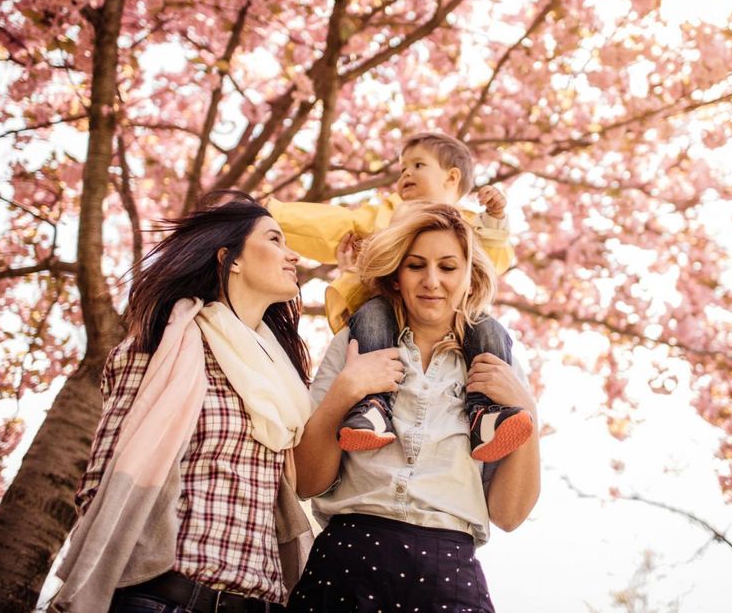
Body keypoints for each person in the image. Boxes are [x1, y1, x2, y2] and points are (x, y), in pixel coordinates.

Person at [52, 191, 339, 613]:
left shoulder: (282, 378)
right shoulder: (166, 347)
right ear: (231, 259)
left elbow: (307, 483)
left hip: (262, 599)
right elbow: (105, 480)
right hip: (166, 597)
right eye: (275, 239)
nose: (292, 254)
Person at [288, 204, 542, 612]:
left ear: (469, 276)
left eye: (447, 267)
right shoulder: (356, 343)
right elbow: (307, 482)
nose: (431, 281)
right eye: (416, 266)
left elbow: (510, 515)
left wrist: (526, 410)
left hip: (449, 572)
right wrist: (344, 393)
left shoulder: (497, 363)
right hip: (348, 560)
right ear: (396, 274)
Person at [269, 132, 533, 462]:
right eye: (402, 167)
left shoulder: (468, 226)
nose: (405, 173)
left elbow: (494, 258)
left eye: (418, 165)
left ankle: (488, 414)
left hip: (455, 318)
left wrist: (495, 218)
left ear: (451, 177)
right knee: (370, 318)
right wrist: (274, 217)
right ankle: (373, 408)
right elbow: (335, 224)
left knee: (490, 329)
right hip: (386, 307)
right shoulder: (388, 214)